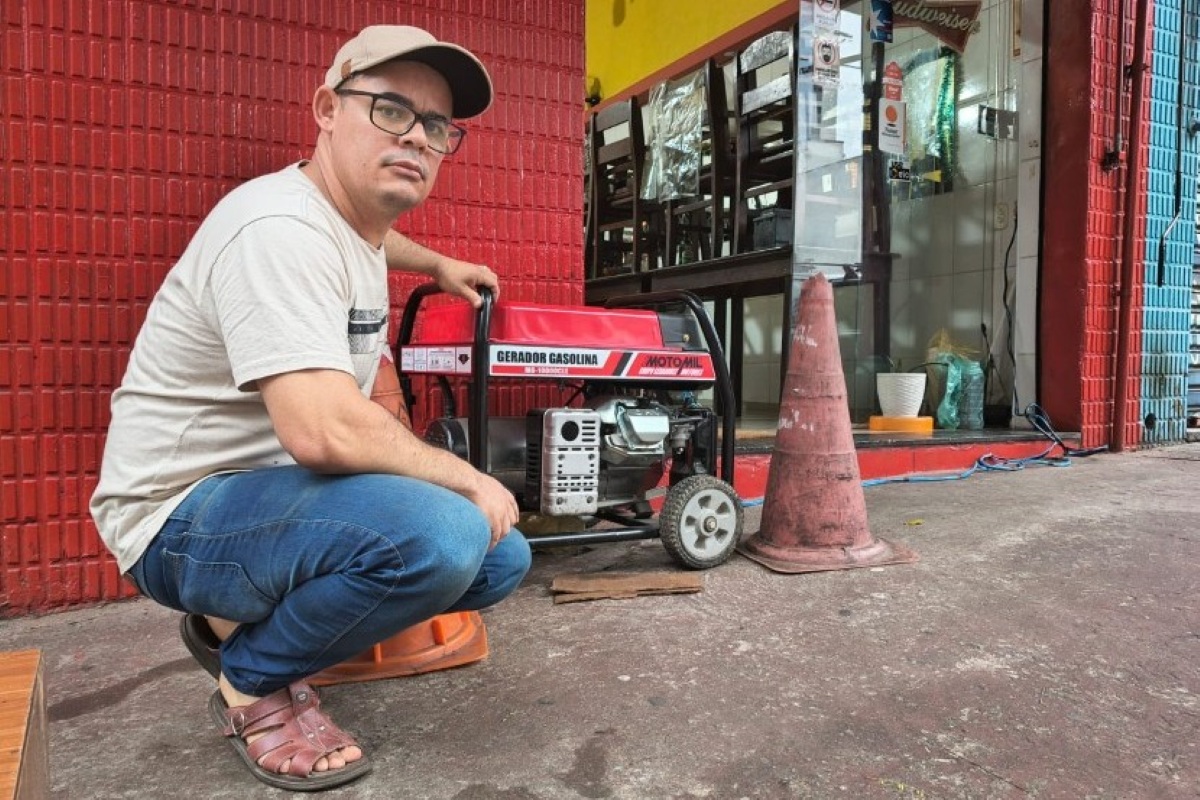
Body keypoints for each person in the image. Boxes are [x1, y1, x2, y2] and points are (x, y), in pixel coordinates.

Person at [90, 25, 531, 792]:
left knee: (500, 558)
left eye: (436, 126)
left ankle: (240, 620)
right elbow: (322, 431)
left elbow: (378, 243)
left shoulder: (351, 222)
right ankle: (250, 676)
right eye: (390, 110)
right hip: (176, 517)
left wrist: (437, 262)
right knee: (448, 531)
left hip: (260, 501)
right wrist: (467, 477)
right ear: (327, 109)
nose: (417, 138)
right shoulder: (277, 230)